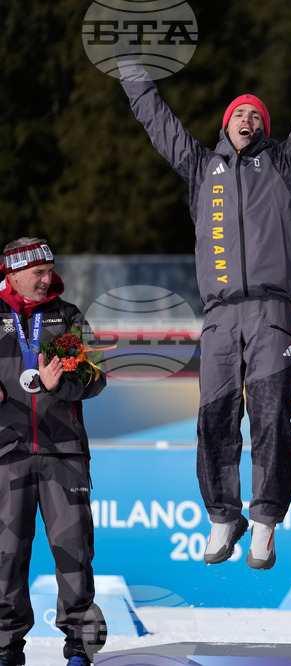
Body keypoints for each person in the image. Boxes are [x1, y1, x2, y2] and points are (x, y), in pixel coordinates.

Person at [117, 17, 291, 570]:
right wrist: (129, 66)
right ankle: (224, 514)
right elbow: (157, 120)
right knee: (214, 419)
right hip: (219, 316)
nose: (247, 117)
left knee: (270, 417)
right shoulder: (202, 168)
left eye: (255, 113)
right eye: (238, 112)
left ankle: (265, 519)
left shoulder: (284, 163)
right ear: (226, 125)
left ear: (264, 127)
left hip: (271, 311)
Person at [0, 239, 107, 666]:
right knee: (5, 556)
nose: (49, 279)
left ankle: (81, 647)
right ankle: (5, 647)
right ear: (13, 273)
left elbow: (96, 376)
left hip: (64, 453)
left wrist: (58, 385)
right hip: (6, 452)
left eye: (50, 270)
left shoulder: (67, 317)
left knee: (75, 553)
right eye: (39, 272)